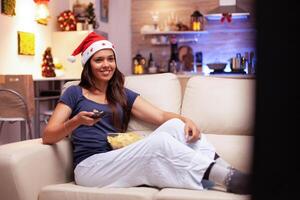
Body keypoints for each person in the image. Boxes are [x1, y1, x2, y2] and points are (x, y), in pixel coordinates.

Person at [42, 32, 251, 194]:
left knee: (175, 126)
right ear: (88, 65)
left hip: (118, 157)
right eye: (99, 60)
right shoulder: (74, 92)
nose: (106, 65)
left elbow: (160, 117)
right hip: (91, 168)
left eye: (110, 59)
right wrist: (76, 122)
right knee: (158, 142)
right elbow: (48, 135)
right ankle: (228, 178)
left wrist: (187, 120)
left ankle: (231, 173)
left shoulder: (122, 94)